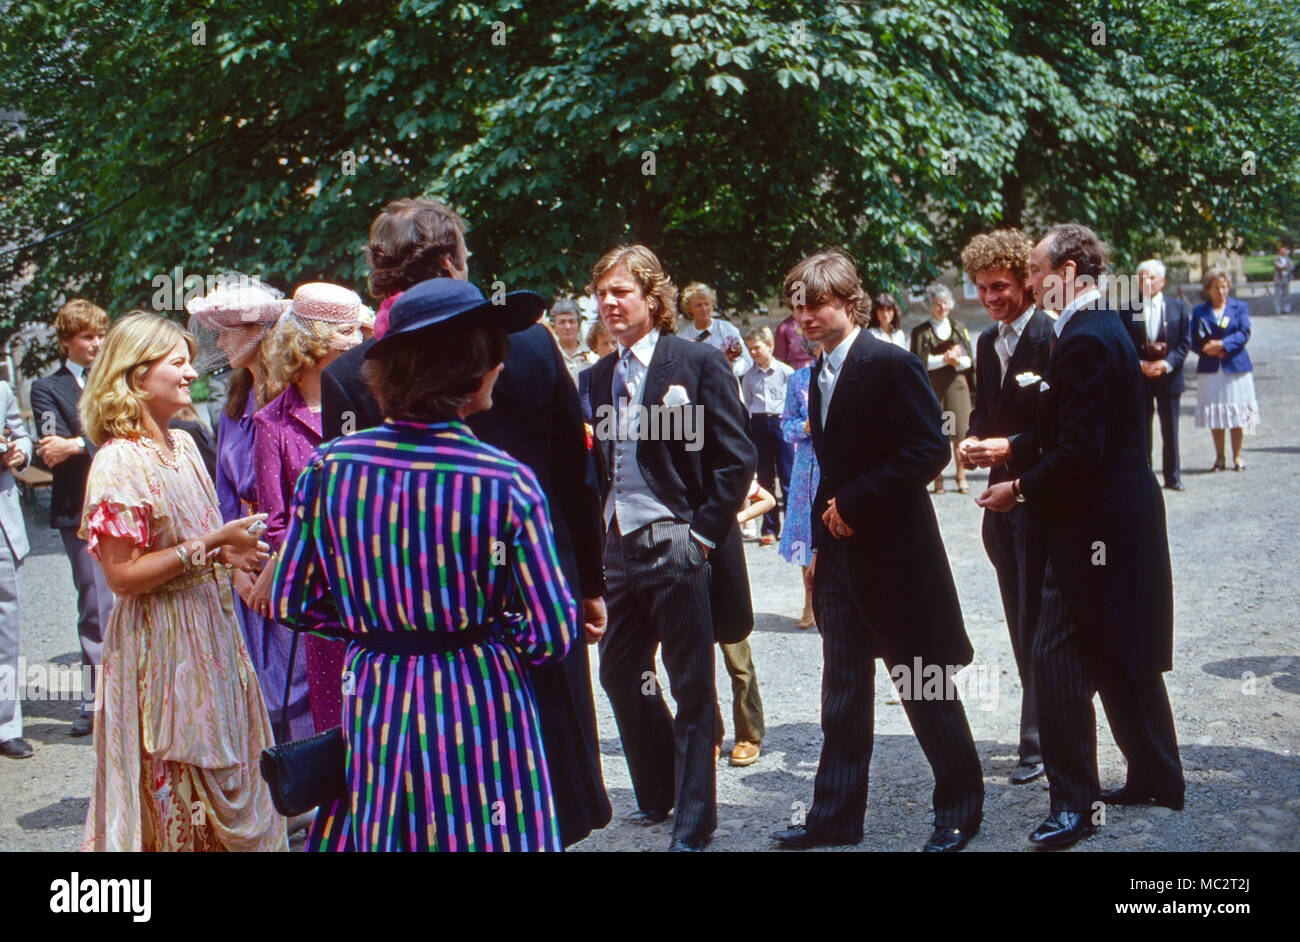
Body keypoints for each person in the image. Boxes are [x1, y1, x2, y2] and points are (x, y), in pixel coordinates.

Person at [320, 197, 611, 847]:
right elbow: (576, 473)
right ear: (454, 261)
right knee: (539, 798)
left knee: (427, 815)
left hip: (412, 640)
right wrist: (587, 583)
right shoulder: (532, 342)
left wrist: (374, 629)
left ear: (378, 278)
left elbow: (338, 540)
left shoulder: (349, 372)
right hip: (534, 604)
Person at [273, 278, 577, 852]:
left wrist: (376, 628)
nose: (502, 367)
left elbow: (292, 599)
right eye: (494, 354)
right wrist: (487, 635)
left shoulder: (329, 468)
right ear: (471, 369)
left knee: (390, 831)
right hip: (479, 697)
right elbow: (552, 635)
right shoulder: (504, 480)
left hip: (378, 694)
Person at [770, 249, 983, 853]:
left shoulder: (890, 364)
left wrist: (857, 502)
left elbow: (928, 450)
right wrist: (812, 543)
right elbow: (820, 466)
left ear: (847, 300)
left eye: (815, 303)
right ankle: (833, 818)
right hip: (838, 562)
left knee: (924, 684)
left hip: (896, 559)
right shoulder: (811, 376)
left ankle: (960, 810)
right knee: (841, 692)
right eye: (797, 307)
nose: (804, 315)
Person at [979, 224, 1183, 850]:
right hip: (1116, 520)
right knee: (1123, 648)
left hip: (1092, 527)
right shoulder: (1095, 328)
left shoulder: (1087, 337)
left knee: (1057, 660)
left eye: (1037, 270)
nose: (1033, 280)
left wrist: (1018, 488)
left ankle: (1072, 804)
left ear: (1068, 270)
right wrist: (1013, 446)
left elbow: (1078, 453)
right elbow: (1070, 428)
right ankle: (1157, 776)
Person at [76, 311, 285, 851]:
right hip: (160, 645)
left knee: (232, 770)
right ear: (136, 375)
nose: (192, 373)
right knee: (176, 782)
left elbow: (197, 543)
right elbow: (122, 577)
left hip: (211, 633)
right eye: (178, 363)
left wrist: (232, 557)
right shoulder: (118, 462)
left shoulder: (186, 444)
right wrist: (214, 545)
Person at [586, 245, 755, 852]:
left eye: (620, 292)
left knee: (691, 685)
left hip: (678, 543)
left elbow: (737, 459)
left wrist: (702, 538)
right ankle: (658, 788)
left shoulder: (698, 362)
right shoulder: (595, 376)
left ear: (652, 300)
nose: (608, 303)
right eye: (601, 293)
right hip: (618, 548)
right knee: (620, 671)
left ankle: (694, 820)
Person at [185, 276, 314, 742]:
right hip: (245, 556)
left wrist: (275, 565)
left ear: (260, 331)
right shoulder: (234, 403)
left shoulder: (292, 401)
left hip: (287, 557)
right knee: (258, 679)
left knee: (300, 674)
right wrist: (231, 561)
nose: (219, 341)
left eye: (227, 330)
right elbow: (222, 491)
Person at [955, 228, 1055, 786]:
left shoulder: (1050, 337)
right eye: (982, 288)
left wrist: (1010, 451)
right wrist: (971, 441)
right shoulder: (986, 343)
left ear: (1024, 282)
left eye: (1000, 286)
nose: (992, 297)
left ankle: (1039, 741)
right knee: (1019, 620)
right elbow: (985, 414)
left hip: (1040, 497)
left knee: (1040, 621)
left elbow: (1060, 430)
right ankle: (1039, 730)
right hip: (999, 505)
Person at [245, 282, 363, 746]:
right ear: (316, 342)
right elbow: (275, 521)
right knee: (340, 728)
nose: (359, 343)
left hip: (381, 589)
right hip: (325, 602)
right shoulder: (271, 422)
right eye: (349, 333)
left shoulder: (368, 406)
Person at [28, 299, 111, 739]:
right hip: (76, 507)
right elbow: (50, 450)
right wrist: (91, 441)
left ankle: (135, 697)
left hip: (122, 500)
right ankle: (94, 701)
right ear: (66, 341)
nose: (97, 343)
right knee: (95, 606)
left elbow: (126, 431)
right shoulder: (46, 387)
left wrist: (78, 443)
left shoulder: (118, 377)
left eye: (100, 334)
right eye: (86, 336)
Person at [712, 479, 772, 767]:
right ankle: (708, 732)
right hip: (686, 557)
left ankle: (749, 733)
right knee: (694, 659)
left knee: (738, 657)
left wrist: (737, 518)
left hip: (725, 561)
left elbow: (768, 499)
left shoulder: (727, 463)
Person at [1125, 259, 1192, 491]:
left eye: (1152, 277)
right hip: (1141, 377)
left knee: (1170, 429)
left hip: (1168, 377)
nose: (1147, 282)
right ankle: (1144, 477)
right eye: (1142, 277)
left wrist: (1166, 364)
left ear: (1162, 281)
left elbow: (1185, 341)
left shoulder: (1178, 307)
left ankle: (1173, 477)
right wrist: (1139, 364)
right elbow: (1123, 343)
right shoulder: (1129, 309)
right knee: (1142, 429)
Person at [910, 283, 975, 494]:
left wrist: (957, 361)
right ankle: (938, 478)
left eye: (945, 303)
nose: (942, 307)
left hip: (956, 385)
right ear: (931, 305)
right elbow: (919, 362)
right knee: (939, 432)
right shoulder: (921, 332)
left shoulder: (959, 327)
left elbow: (969, 361)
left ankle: (961, 475)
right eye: (938, 303)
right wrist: (945, 359)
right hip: (933, 387)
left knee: (959, 431)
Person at [1192, 267, 1259, 471]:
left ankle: (1238, 455)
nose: (1220, 292)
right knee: (1216, 412)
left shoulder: (1240, 307)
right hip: (1211, 367)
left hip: (1236, 366)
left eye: (1224, 287)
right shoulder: (1199, 311)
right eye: (1216, 288)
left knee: (1239, 410)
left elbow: (1244, 332)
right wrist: (1206, 349)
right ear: (1207, 289)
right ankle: (1219, 457)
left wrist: (1222, 345)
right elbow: (1192, 338)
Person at [0, 380, 32, 759]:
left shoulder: (3, 389)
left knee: (6, 623)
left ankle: (7, 724)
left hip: (2, 521)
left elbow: (22, 436)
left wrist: (17, 453)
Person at [740, 326, 794, 545]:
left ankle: (791, 528)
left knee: (788, 475)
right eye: (750, 349)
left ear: (770, 346)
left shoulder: (785, 372)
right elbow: (748, 403)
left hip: (781, 422)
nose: (753, 353)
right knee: (764, 477)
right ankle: (770, 527)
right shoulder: (749, 376)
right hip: (759, 423)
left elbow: (793, 402)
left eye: (757, 348)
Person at [779, 364, 820, 630]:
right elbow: (785, 426)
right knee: (805, 534)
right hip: (806, 467)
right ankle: (810, 600)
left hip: (843, 464)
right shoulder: (799, 379)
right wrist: (804, 426)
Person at [675, 282, 752, 377]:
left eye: (707, 304)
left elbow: (747, 361)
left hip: (727, 386)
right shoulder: (683, 337)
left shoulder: (726, 328)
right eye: (698, 305)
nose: (704, 309)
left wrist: (731, 368)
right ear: (689, 309)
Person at [578, 319, 618, 422]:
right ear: (595, 347)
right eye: (605, 344)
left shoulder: (628, 371)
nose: (610, 348)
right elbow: (588, 414)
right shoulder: (586, 376)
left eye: (614, 343)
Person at [550, 299, 598, 383]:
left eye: (572, 321)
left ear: (579, 324)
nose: (567, 327)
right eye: (561, 322)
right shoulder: (549, 355)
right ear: (554, 326)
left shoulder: (593, 353)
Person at [1273, 244, 1293, 315]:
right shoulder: (1276, 259)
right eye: (1283, 250)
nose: (1284, 252)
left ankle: (1287, 309)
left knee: (1286, 294)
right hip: (1279, 279)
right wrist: (1287, 265)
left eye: (1285, 250)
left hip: (1286, 278)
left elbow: (1291, 267)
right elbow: (1279, 266)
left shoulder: (1288, 259)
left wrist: (1288, 266)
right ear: (1279, 252)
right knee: (1277, 295)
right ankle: (1278, 310)